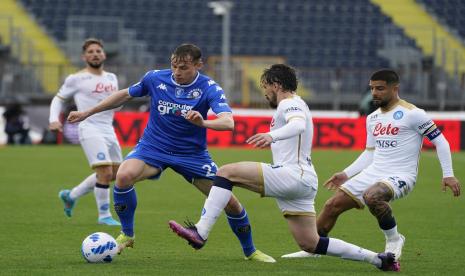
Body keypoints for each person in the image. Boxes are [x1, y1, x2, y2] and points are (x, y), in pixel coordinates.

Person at [168, 64, 400, 271]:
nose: (265, 92)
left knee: (225, 173)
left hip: (292, 174)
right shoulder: (297, 102)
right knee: (311, 243)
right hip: (304, 181)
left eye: (266, 87)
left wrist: (271, 136)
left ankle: (201, 231)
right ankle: (379, 259)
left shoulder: (288, 103)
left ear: (276, 85)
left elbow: (297, 125)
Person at [67, 43, 274, 262]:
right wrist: (87, 112)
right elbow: (124, 95)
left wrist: (202, 122)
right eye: (174, 66)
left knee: (230, 202)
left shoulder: (209, 88)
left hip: (192, 155)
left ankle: (250, 251)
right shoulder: (155, 78)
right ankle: (127, 234)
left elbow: (228, 122)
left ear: (198, 65)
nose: (177, 72)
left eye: (183, 67)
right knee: (123, 175)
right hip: (154, 147)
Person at [281, 69, 461, 260]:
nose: (375, 93)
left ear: (395, 89)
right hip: (373, 172)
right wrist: (346, 173)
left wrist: (448, 174)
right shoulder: (373, 118)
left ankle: (394, 239)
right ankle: (315, 248)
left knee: (372, 196)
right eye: (372, 88)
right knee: (332, 205)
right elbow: (370, 153)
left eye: (380, 88)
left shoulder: (413, 114)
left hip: (401, 175)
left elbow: (441, 141)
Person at [49, 38, 121, 226]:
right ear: (84, 57)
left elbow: (115, 103)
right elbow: (58, 99)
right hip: (89, 127)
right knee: (104, 171)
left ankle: (71, 195)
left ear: (104, 54)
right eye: (90, 52)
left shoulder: (112, 77)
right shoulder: (76, 78)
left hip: (108, 129)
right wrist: (54, 120)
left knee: (115, 173)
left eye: (98, 51)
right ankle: (104, 215)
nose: (95, 54)